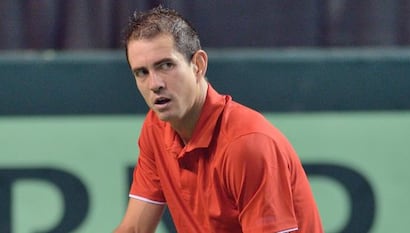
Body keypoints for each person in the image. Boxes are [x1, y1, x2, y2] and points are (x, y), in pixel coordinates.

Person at [114, 5, 323, 233]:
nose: (154, 84)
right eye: (141, 72)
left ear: (198, 65)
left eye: (166, 65)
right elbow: (135, 229)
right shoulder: (156, 128)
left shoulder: (247, 144)